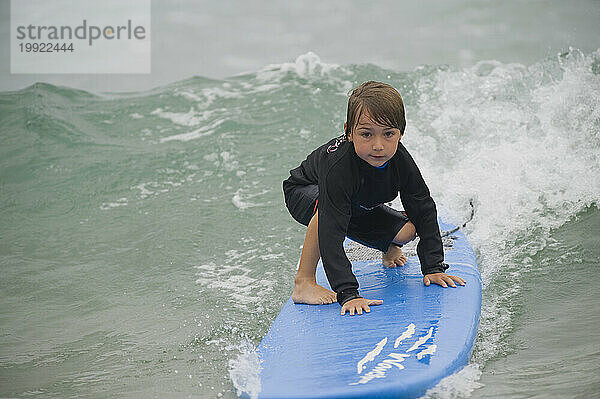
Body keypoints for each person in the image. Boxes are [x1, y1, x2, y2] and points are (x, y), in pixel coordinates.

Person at [283, 81, 465, 317]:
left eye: (388, 134)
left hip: (355, 203)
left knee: (407, 232)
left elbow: (422, 207)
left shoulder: (400, 159)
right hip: (305, 191)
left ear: (401, 132)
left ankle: (388, 247)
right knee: (325, 213)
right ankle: (304, 282)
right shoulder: (338, 166)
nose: (378, 145)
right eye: (366, 134)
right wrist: (348, 293)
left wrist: (432, 267)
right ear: (349, 131)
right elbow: (331, 233)